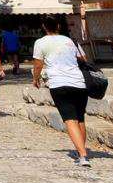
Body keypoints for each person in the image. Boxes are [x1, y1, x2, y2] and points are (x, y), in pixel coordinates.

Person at [32, 16, 91, 166]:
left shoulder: (40, 43)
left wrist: (35, 79)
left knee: (70, 119)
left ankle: (83, 156)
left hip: (59, 83)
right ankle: (81, 151)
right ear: (58, 26)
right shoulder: (68, 40)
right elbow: (83, 58)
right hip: (78, 81)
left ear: (44, 27)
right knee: (80, 118)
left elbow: (38, 64)